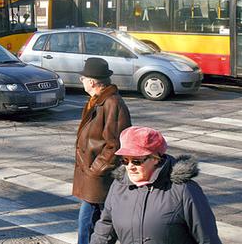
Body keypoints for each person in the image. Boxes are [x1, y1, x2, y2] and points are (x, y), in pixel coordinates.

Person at [91, 126, 221, 244]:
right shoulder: (118, 186)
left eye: (136, 161)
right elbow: (104, 230)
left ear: (155, 159)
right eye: (125, 160)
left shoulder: (184, 190)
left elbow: (207, 238)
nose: (130, 167)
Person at [73, 57, 132, 244]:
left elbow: (115, 145)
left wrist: (95, 170)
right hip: (91, 175)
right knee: (96, 223)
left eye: (82, 79)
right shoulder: (96, 101)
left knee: (87, 223)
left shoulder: (111, 103)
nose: (81, 82)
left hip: (98, 177)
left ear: (91, 81)